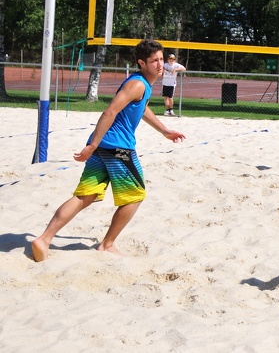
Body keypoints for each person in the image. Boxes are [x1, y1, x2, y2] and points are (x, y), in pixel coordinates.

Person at [31, 39, 186, 262]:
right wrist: (91, 146)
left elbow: (142, 109)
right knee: (135, 196)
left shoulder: (142, 85)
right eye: (155, 61)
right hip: (117, 148)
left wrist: (164, 131)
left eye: (162, 59)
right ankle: (107, 244)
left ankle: (44, 239)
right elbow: (109, 113)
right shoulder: (138, 84)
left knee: (85, 196)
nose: (160, 64)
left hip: (105, 146)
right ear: (142, 63)